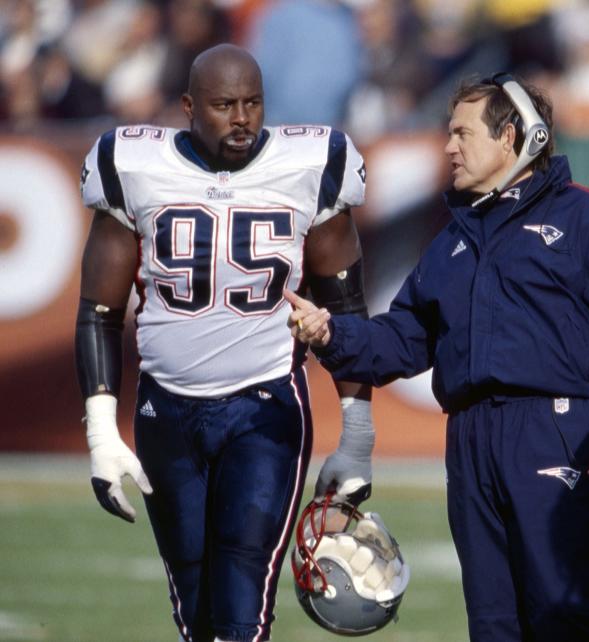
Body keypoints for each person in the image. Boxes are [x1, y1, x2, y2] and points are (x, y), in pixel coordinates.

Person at [285, 73, 589, 642]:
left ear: (513, 136)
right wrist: (331, 335)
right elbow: (404, 338)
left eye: (462, 133)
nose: (449, 147)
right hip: (470, 441)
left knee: (566, 618)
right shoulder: (452, 240)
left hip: (561, 432)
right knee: (493, 627)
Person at [75, 43, 375, 642]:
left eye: (252, 103)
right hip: (167, 409)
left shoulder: (311, 163)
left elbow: (344, 310)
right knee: (194, 604)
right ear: (188, 106)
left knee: (243, 603)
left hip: (264, 408)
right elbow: (99, 312)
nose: (242, 119)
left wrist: (358, 436)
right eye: (223, 105)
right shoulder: (133, 164)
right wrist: (101, 432)